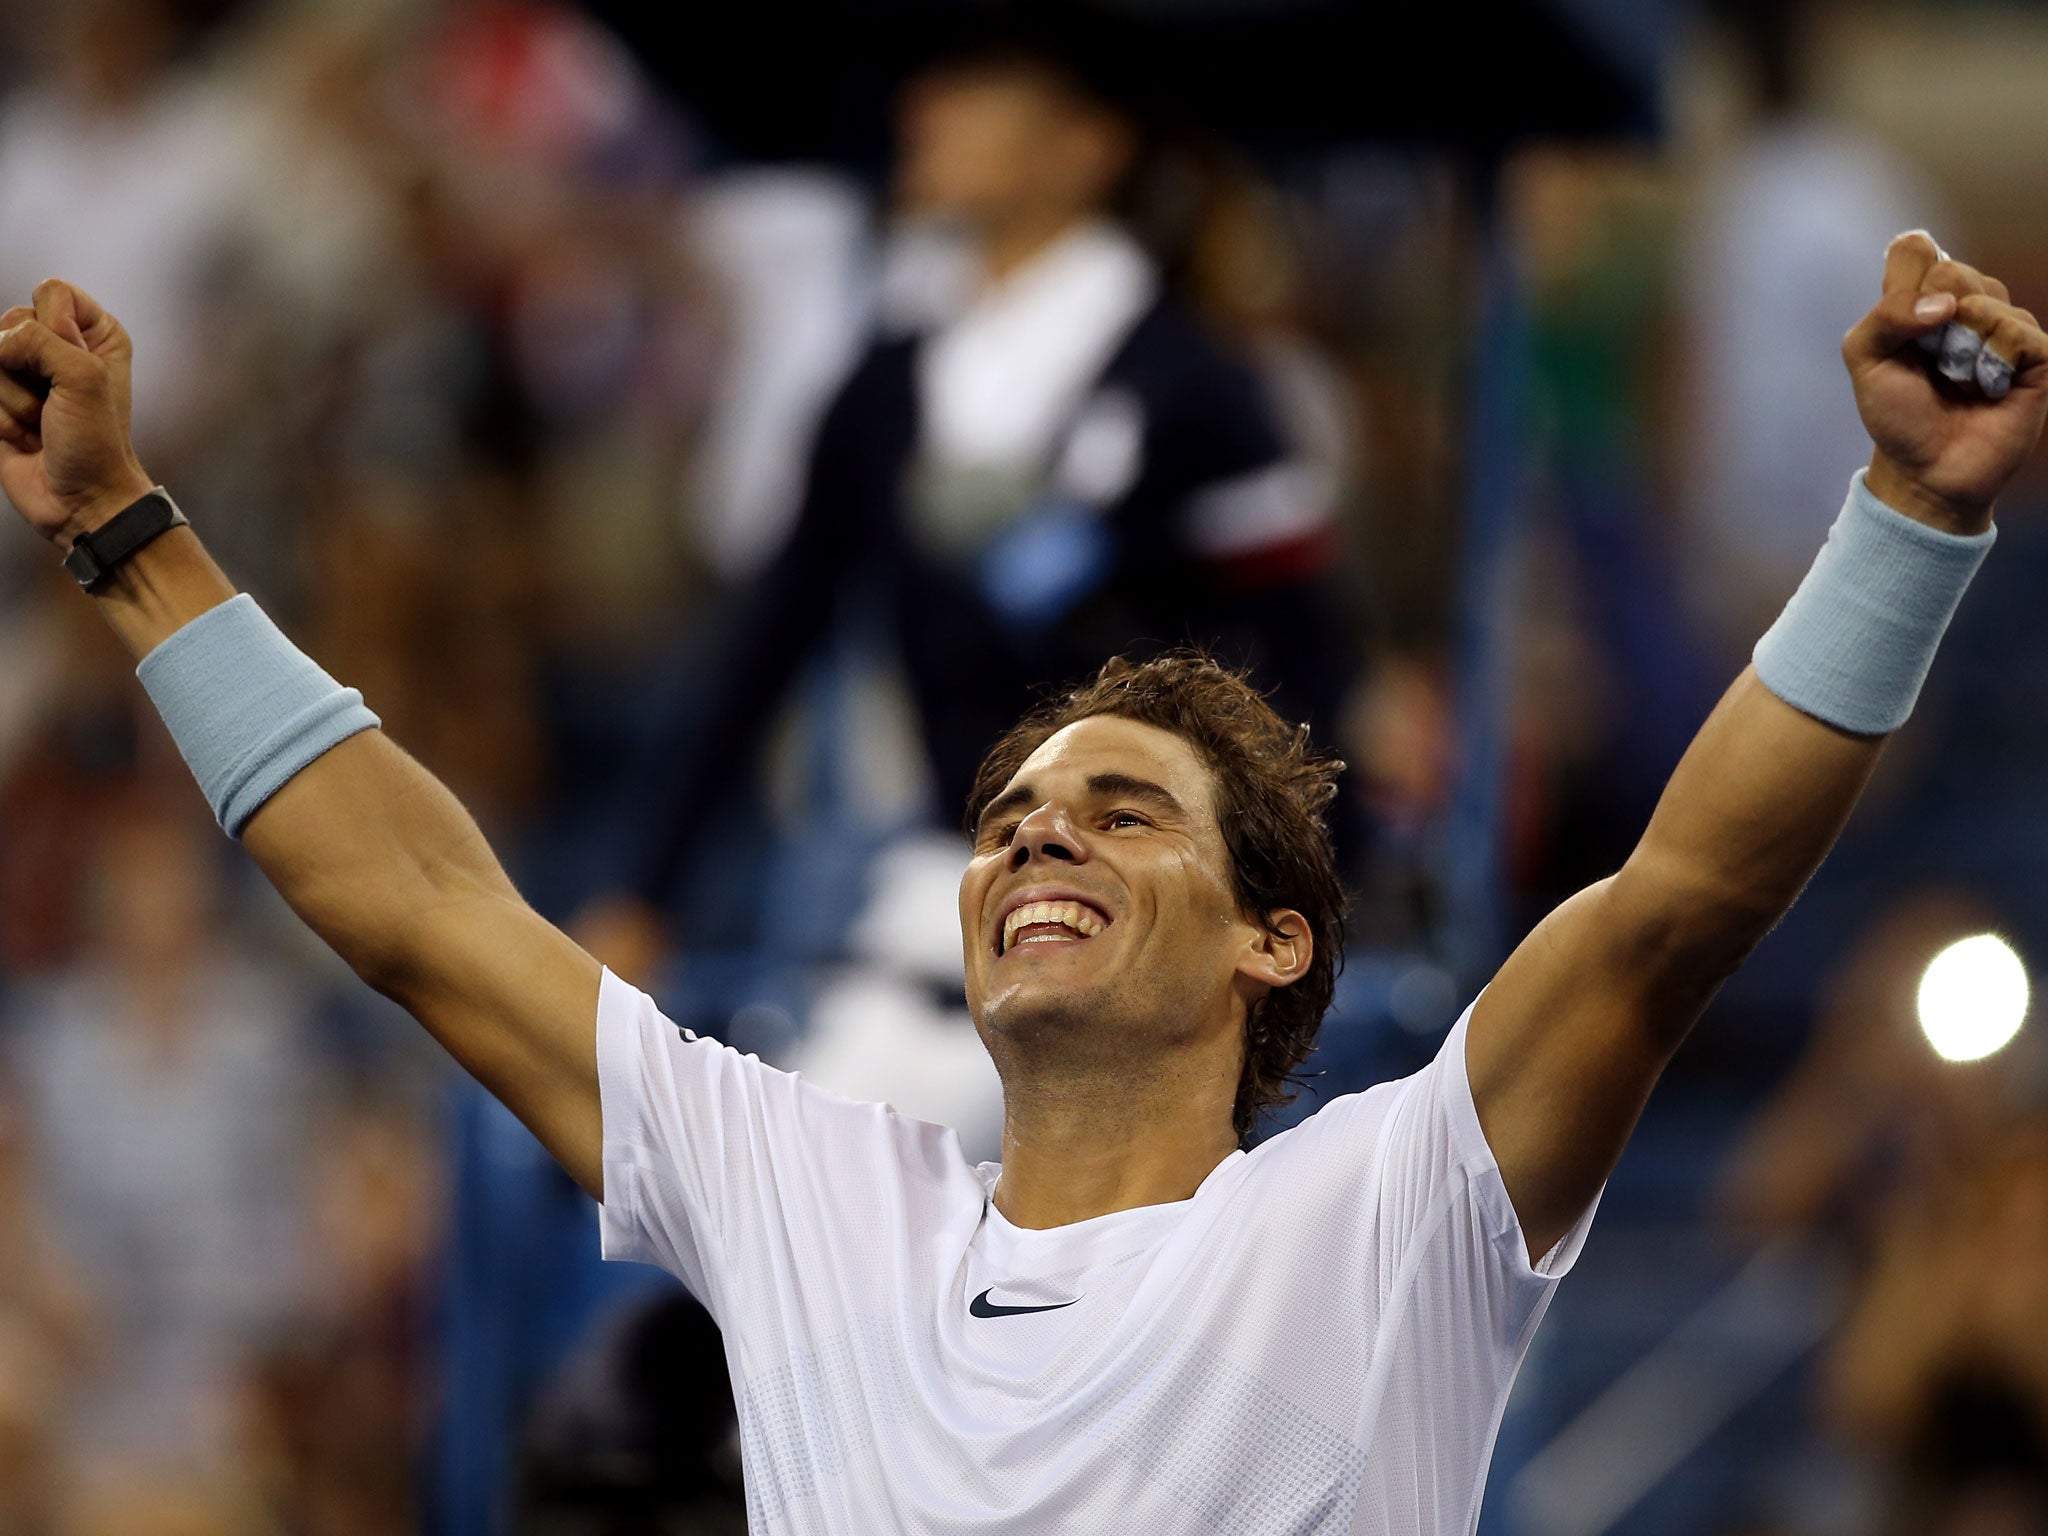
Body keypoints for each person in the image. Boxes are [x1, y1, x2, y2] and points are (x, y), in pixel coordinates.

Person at [0, 228, 2041, 1531]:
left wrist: (1904, 522)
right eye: (1004, 822)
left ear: (1276, 939)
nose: (1036, 835)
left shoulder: (1392, 1210)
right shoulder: (812, 1195)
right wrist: (124, 530)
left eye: (1120, 811)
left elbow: (1680, 897)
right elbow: (421, 907)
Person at [577, 12, 1357, 972]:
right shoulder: (886, 387)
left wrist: (1302, 921)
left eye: (980, 83)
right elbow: (766, 647)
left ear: (1088, 145)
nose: (927, 110)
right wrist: (645, 890)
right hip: (949, 907)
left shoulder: (1195, 386)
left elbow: (1305, 672)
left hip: (1162, 926)